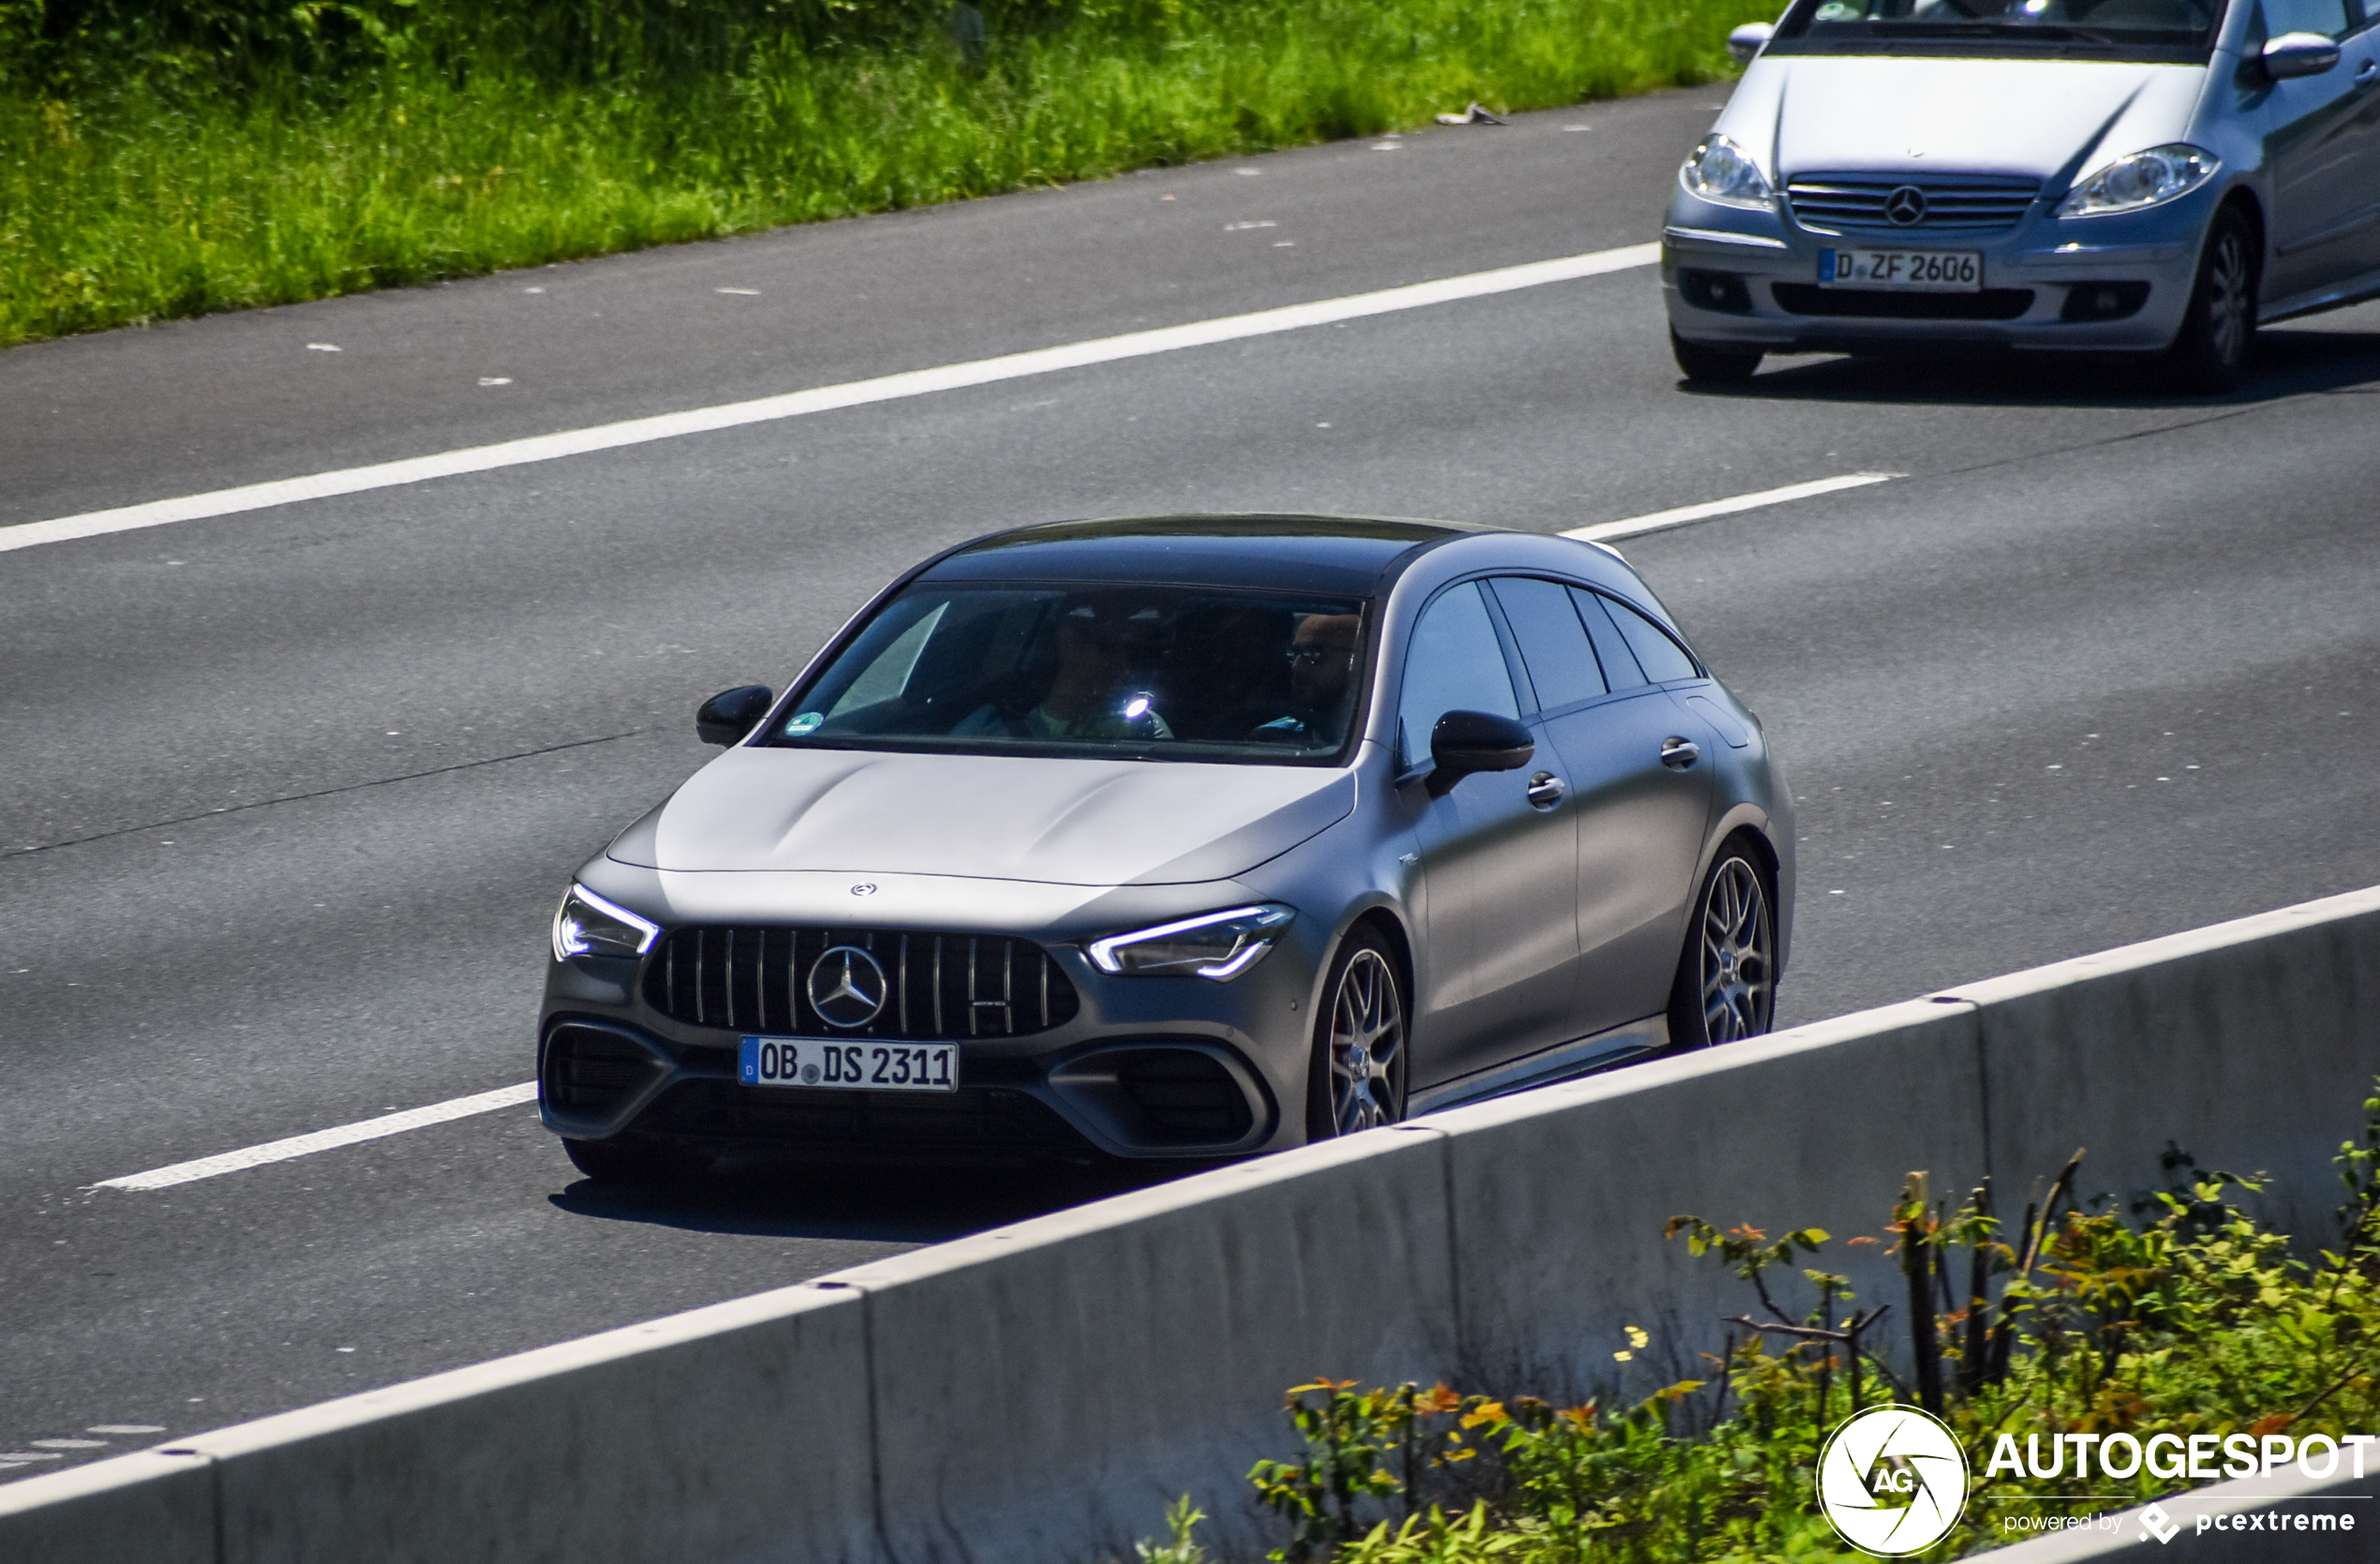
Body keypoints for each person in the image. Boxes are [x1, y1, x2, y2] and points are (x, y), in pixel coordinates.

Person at [954, 596, 1175, 742]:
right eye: (1109, 647)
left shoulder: (1145, 729)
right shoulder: (990, 724)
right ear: (1066, 644)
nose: (1122, 664)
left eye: (1132, 654)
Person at [1254, 611, 1361, 745]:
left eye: (1314, 654)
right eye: (1295, 653)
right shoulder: (1271, 738)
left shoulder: (1385, 737)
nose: (1296, 667)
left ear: (1358, 658)